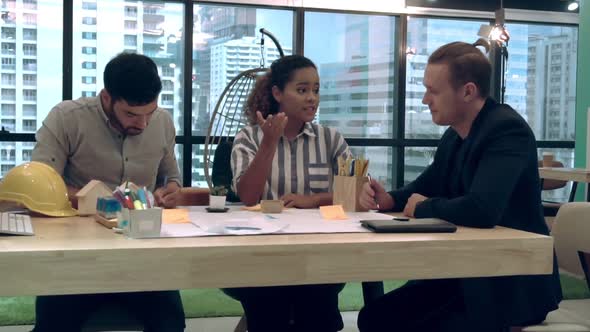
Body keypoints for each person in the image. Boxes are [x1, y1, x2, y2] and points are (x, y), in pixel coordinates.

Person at [357, 39, 562, 332]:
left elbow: (482, 209)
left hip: (508, 283)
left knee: (391, 323)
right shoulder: (456, 134)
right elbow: (429, 182)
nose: (425, 100)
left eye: (433, 91)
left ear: (468, 91)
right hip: (465, 271)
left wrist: (423, 207)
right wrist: (389, 199)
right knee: (374, 317)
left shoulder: (507, 130)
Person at [31, 52, 185, 332]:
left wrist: (171, 190)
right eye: (131, 114)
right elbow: (42, 181)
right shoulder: (67, 118)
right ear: (106, 98)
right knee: (54, 325)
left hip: (141, 254)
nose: (143, 124)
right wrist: (96, 200)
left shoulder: (162, 122)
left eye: (149, 113)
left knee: (170, 323)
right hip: (76, 254)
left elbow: (172, 177)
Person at [224, 55, 350, 332]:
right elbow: (247, 197)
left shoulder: (331, 139)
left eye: (316, 90)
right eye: (302, 90)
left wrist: (314, 200)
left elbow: (353, 192)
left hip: (320, 250)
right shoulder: (249, 137)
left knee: (316, 302)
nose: (312, 99)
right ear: (278, 93)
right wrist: (269, 142)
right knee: (269, 301)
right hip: (261, 253)